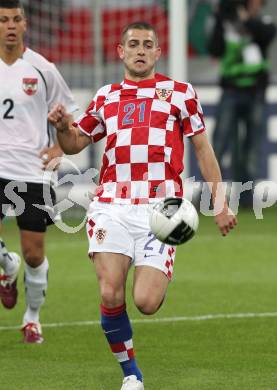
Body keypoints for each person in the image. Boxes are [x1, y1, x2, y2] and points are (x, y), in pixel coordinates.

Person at [48, 21, 237, 390]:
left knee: (146, 302)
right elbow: (74, 143)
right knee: (109, 292)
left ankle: (155, 269)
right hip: (111, 204)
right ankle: (131, 375)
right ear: (120, 51)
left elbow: (202, 148)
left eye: (147, 44)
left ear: (157, 52)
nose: (139, 50)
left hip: (161, 210)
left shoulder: (180, 93)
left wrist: (221, 203)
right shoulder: (106, 96)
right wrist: (60, 128)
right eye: (132, 44)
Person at [0, 0, 78, 343]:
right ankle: (7, 265)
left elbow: (69, 116)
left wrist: (59, 147)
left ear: (26, 24)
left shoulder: (43, 69)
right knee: (20, 257)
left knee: (34, 253)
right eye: (3, 20)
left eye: (16, 19)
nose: (11, 26)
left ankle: (32, 317)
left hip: (32, 171)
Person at [208, 0, 276, 206]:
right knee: (219, 145)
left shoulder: (264, 21)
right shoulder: (225, 23)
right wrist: (221, 18)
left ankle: (246, 200)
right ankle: (211, 198)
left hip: (255, 92)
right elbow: (214, 49)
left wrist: (244, 18)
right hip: (230, 90)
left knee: (251, 148)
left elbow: (265, 36)